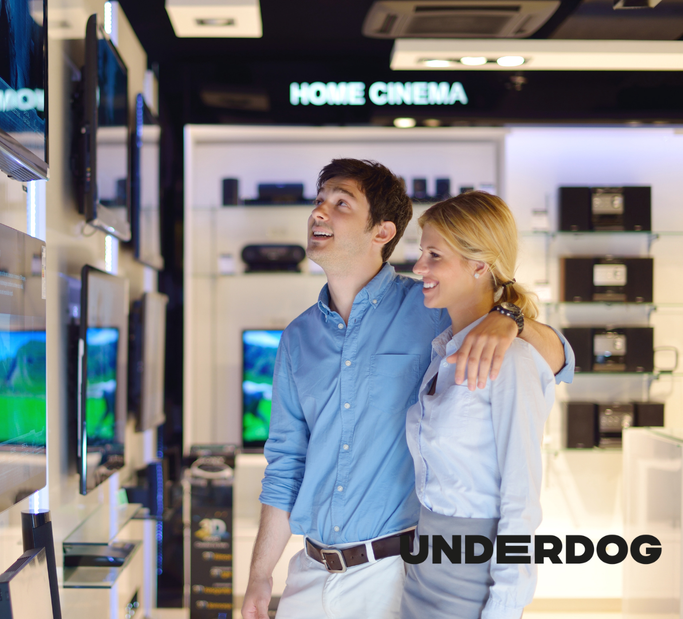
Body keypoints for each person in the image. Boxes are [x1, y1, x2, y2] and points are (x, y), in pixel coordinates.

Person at [241, 160, 573, 619]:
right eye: (319, 201)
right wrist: (261, 573)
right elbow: (286, 462)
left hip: (395, 573)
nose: (319, 212)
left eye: (340, 203)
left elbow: (558, 359)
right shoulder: (298, 338)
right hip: (308, 574)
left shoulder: (432, 305)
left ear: (382, 231)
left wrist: (509, 318)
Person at [401, 192, 554, 619]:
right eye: (421, 253)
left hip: (475, 573)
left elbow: (521, 498)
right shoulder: (442, 351)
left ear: (480, 265)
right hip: (422, 564)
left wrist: (506, 604)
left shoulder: (515, 361)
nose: (418, 268)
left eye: (434, 255)